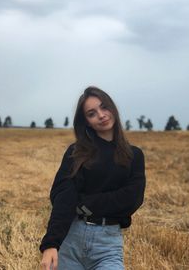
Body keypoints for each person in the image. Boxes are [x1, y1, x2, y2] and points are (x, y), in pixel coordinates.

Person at [40, 86, 146, 270]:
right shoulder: (76, 152)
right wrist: (51, 243)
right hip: (71, 239)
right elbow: (63, 196)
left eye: (104, 107)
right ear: (87, 122)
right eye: (92, 113)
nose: (101, 115)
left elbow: (132, 199)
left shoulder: (133, 155)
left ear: (112, 108)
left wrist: (84, 204)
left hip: (108, 244)